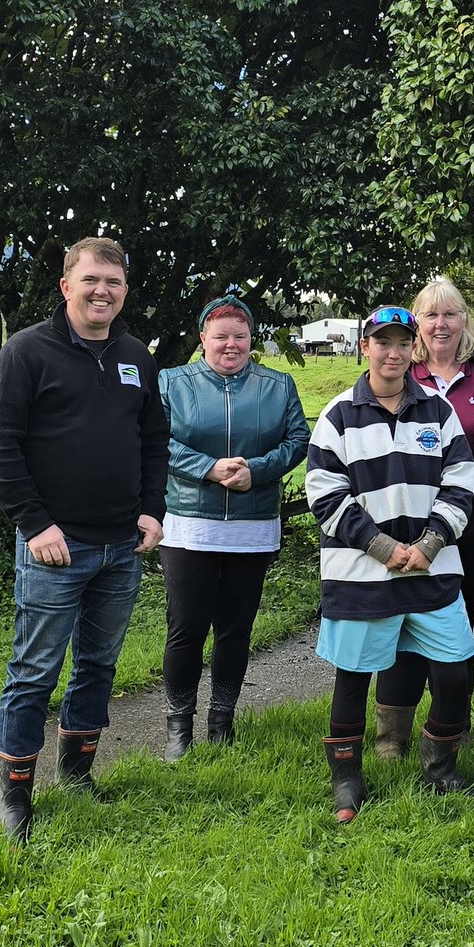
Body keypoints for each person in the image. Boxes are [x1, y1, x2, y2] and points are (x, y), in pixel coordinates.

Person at [0, 236, 169, 843]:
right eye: (90, 280)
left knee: (99, 665)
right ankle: (15, 796)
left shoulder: (137, 355)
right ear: (66, 287)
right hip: (54, 548)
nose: (101, 291)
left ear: (124, 291)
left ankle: (77, 771)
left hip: (122, 547)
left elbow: (153, 441)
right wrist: (35, 525)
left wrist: (152, 511)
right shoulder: (27, 352)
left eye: (113, 282)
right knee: (34, 672)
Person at [306, 305, 474, 822]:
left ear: (413, 350)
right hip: (362, 573)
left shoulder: (438, 412)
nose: (393, 352)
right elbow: (325, 495)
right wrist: (384, 549)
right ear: (366, 347)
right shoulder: (338, 414)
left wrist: (428, 545)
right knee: (354, 677)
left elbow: (461, 482)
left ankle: (439, 770)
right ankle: (347, 782)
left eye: (403, 343)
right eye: (383, 342)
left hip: (432, 568)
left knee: (454, 673)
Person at [156, 295, 309, 760]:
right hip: (188, 527)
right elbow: (153, 439)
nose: (230, 345)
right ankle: (178, 728)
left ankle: (222, 722)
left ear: (251, 340)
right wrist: (207, 467)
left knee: (235, 630)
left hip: (252, 526)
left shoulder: (278, 386)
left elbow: (298, 438)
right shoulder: (170, 383)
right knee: (185, 628)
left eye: (240, 336)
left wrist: (257, 470)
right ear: (203, 338)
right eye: (221, 336)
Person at [373, 277, 474, 758]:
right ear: (417, 324)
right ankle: (392, 737)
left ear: (464, 319)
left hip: (473, 525)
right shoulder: (396, 374)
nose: (441, 324)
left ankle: (452, 727)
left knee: (456, 627)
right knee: (402, 625)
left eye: (450, 314)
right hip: (403, 524)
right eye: (430, 315)